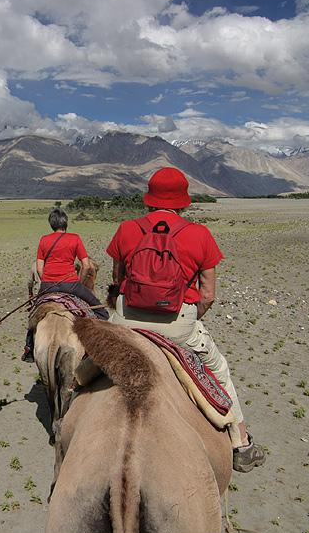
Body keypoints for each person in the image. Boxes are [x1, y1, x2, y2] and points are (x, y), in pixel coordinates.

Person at [105, 167, 265, 473]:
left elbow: (117, 279)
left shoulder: (126, 229)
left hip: (127, 322)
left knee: (90, 358)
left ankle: (69, 404)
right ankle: (241, 445)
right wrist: (187, 317)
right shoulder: (199, 234)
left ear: (149, 200)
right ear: (183, 202)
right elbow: (207, 295)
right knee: (218, 369)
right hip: (178, 326)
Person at [22, 207, 109, 362]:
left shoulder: (44, 240)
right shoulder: (75, 238)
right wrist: (79, 283)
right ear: (67, 223)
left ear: (51, 224)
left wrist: (48, 282)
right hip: (71, 285)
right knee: (102, 312)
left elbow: (40, 268)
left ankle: (29, 348)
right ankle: (100, 346)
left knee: (34, 315)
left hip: (48, 285)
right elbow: (86, 265)